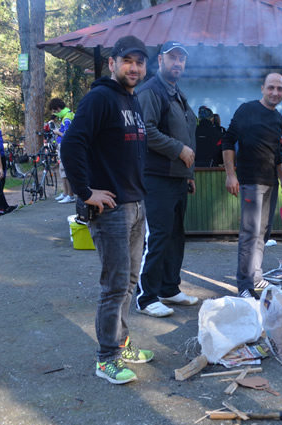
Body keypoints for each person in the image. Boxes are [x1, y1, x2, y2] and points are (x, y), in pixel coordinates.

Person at [60, 35, 153, 385]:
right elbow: (71, 144)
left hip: (135, 204)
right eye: (127, 61)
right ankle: (106, 358)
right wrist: (85, 192)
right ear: (112, 63)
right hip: (112, 210)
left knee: (129, 282)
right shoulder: (100, 98)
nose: (134, 67)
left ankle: (121, 343)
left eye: (139, 62)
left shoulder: (133, 99)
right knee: (114, 285)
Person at [135, 40, 199, 318]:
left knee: (175, 236)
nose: (178, 63)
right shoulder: (151, 91)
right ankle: (146, 297)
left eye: (181, 59)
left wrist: (188, 174)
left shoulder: (177, 93)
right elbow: (145, 131)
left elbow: (185, 132)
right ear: (160, 60)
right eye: (172, 58)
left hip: (177, 177)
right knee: (158, 236)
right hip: (156, 177)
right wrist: (179, 150)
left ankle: (169, 288)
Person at [222, 73, 282, 299]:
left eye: (279, 89)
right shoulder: (247, 110)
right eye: (271, 87)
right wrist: (230, 175)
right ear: (262, 88)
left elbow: (277, 153)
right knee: (250, 234)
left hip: (271, 182)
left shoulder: (278, 118)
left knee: (263, 232)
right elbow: (228, 140)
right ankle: (244, 285)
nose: (275, 92)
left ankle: (256, 276)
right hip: (250, 181)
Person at [48, 98, 76, 203]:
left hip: (66, 146)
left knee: (67, 171)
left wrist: (57, 132)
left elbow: (68, 135)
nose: (54, 114)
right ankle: (65, 193)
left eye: (54, 111)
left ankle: (70, 195)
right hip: (62, 146)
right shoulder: (65, 115)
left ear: (58, 108)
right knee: (62, 170)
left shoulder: (67, 117)